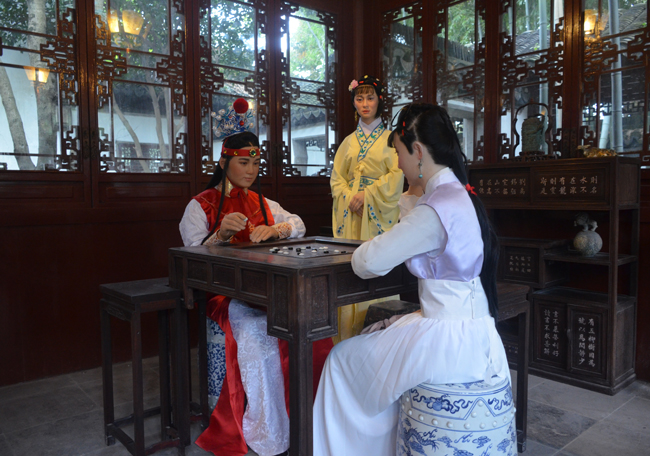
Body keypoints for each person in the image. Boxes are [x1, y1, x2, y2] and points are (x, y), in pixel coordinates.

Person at [313, 103, 509, 455]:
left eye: (399, 153)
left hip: (445, 342)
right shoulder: (459, 195)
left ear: (417, 151)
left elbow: (367, 262)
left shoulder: (433, 211)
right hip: (475, 334)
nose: (398, 163)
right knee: (375, 351)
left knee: (341, 358)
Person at [180, 123, 333, 456]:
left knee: (310, 328)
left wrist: (276, 229)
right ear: (223, 162)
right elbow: (191, 257)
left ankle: (312, 423)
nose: (250, 170)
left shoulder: (262, 202)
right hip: (224, 293)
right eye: (243, 162)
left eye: (255, 163)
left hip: (265, 290)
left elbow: (298, 224)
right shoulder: (200, 205)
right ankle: (270, 432)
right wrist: (220, 235)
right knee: (255, 334)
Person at [330, 75, 404, 341]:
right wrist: (351, 197)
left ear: (379, 101)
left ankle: (379, 338)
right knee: (349, 266)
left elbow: (397, 174)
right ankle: (345, 338)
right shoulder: (348, 142)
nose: (364, 104)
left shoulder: (391, 140)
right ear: (354, 102)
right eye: (359, 98)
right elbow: (337, 178)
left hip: (375, 216)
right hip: (351, 214)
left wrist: (368, 195)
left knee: (375, 264)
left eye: (370, 98)